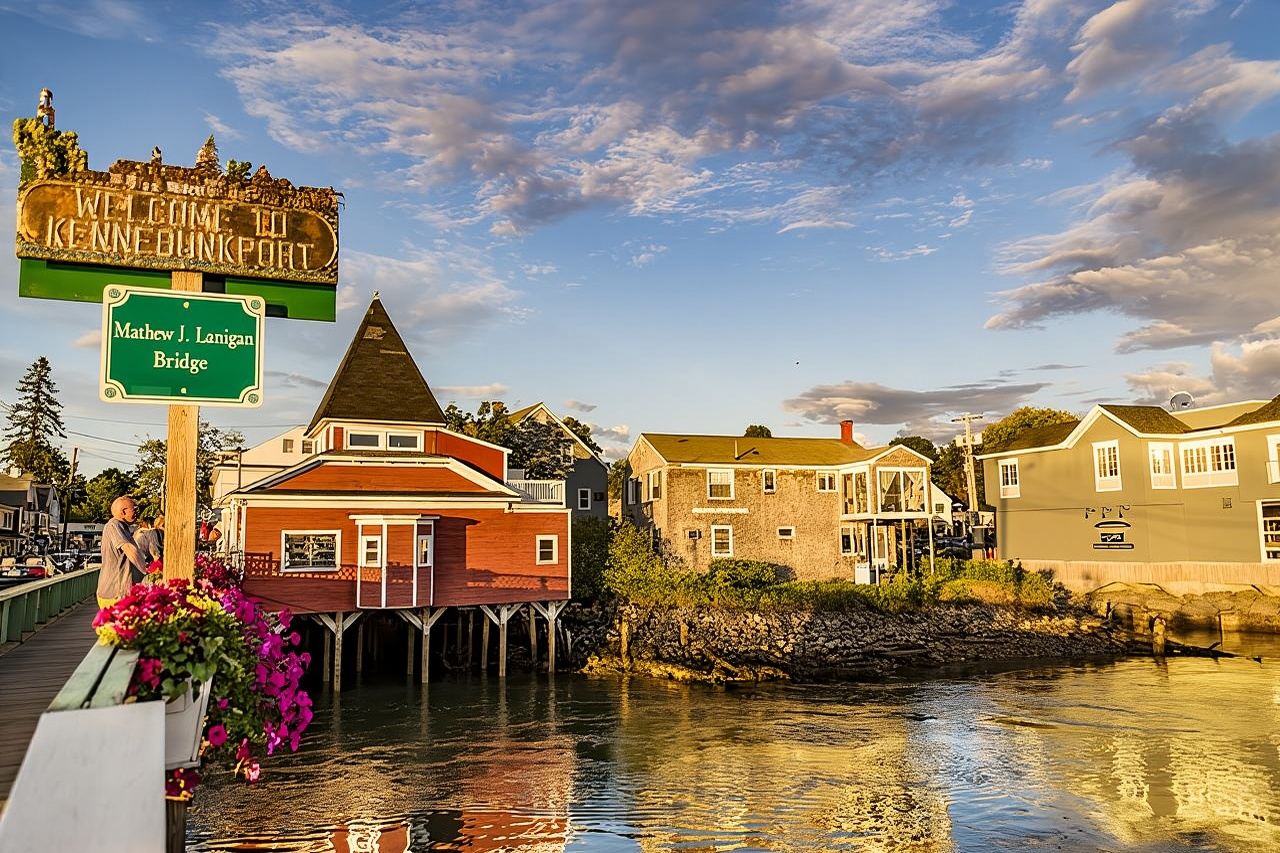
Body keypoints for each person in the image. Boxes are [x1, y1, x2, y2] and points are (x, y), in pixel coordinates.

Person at [96, 495, 147, 608]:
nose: (137, 513)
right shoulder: (114, 525)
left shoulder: (123, 527)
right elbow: (129, 549)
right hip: (114, 593)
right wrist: (146, 571)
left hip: (120, 592)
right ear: (123, 511)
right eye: (134, 509)